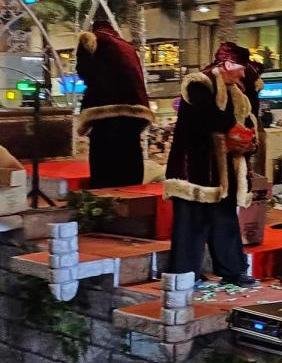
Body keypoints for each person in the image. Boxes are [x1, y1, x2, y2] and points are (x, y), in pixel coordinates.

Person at [164, 43, 263, 288]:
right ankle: (184, 273)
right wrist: (235, 132)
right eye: (240, 69)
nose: (243, 74)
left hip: (224, 169)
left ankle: (232, 270)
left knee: (225, 219)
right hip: (194, 166)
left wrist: (248, 141)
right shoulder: (198, 83)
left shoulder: (238, 91)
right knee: (190, 221)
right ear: (228, 65)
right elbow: (207, 119)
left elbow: (249, 121)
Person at [75, 20, 155, 188]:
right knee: (130, 149)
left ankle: (105, 196)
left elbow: (84, 71)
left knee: (104, 153)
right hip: (136, 109)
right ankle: (133, 192)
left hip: (105, 107)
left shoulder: (91, 39)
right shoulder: (128, 46)